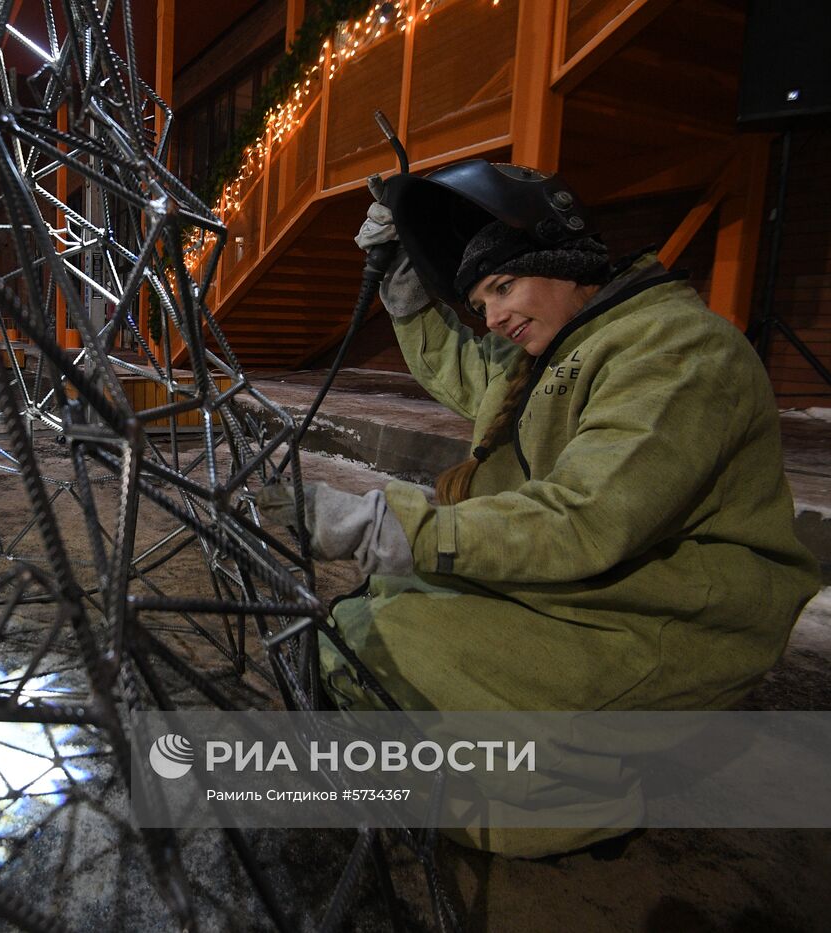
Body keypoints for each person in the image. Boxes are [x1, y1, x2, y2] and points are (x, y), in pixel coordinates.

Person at [258, 161, 821, 856]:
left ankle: (578, 797)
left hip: (666, 620)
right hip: (598, 585)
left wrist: (393, 523)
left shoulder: (678, 350)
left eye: (503, 287)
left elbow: (585, 516)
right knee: (357, 620)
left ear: (565, 263)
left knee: (386, 647)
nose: (492, 317)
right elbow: (461, 368)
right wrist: (404, 278)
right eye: (481, 301)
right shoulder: (556, 349)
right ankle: (502, 746)